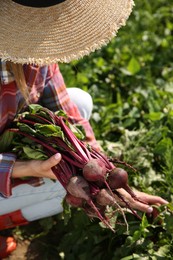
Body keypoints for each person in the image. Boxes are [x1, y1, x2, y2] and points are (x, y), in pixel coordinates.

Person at [0, 0, 168, 258]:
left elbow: (67, 110)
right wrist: (31, 168)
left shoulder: (36, 53)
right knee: (61, 187)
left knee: (80, 102)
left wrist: (107, 174)